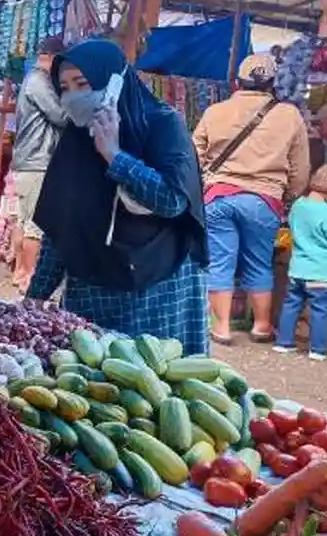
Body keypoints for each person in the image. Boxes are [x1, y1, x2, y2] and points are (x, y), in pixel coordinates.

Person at [26, 39, 209, 355]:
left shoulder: (162, 124)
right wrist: (35, 297)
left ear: (114, 81)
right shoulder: (75, 140)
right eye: (65, 88)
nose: (73, 96)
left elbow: (171, 201)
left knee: (153, 382)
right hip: (92, 285)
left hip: (157, 285)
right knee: (92, 386)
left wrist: (114, 155)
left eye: (82, 84)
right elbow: (60, 226)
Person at [193, 54, 310, 346]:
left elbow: (193, 156)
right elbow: (301, 166)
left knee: (220, 262)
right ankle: (261, 325)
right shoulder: (289, 115)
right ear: (272, 84)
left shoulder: (216, 111)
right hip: (264, 199)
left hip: (219, 196)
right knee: (259, 263)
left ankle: (221, 327)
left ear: (237, 82)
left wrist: (203, 185)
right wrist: (290, 195)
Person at [275, 163, 327, 360]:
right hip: (320, 272)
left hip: (297, 269)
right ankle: (317, 349)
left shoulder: (298, 206)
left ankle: (284, 343)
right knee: (320, 310)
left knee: (291, 305)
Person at [9, 36, 68, 290]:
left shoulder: (31, 81)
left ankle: (19, 272)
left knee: (23, 221)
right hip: (37, 161)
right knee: (35, 225)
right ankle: (28, 277)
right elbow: (61, 116)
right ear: (52, 58)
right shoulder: (38, 81)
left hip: (27, 161)